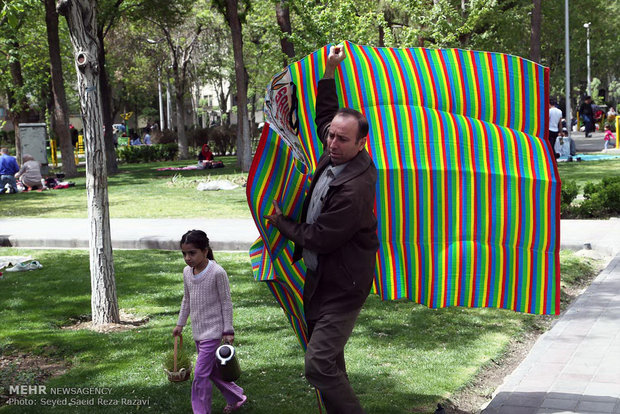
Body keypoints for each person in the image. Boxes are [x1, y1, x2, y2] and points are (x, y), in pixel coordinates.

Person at [264, 45, 379, 414]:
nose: (330, 143)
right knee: (331, 361)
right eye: (330, 136)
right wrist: (329, 71)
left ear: (362, 143)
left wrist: (281, 222)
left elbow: (320, 237)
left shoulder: (355, 186)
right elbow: (327, 116)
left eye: (341, 139)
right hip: (322, 278)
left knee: (318, 365)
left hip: (343, 287)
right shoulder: (337, 150)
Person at [173, 230, 247, 414]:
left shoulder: (217, 272)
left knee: (199, 375)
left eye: (192, 253)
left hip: (214, 332)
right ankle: (237, 397)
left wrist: (228, 330)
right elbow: (186, 300)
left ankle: (201, 411)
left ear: (205, 251)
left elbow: (226, 302)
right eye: (184, 253)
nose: (187, 258)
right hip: (199, 332)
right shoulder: (187, 273)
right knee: (213, 372)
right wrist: (180, 324)